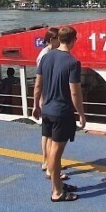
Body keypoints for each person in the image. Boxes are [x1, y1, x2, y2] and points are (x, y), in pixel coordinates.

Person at [32, 26, 87, 202]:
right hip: (62, 112)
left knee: (50, 147)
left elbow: (38, 85)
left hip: (47, 110)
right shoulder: (73, 63)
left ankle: (57, 183)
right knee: (56, 153)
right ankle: (57, 191)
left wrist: (35, 105)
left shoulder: (46, 57)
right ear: (73, 41)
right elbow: (75, 92)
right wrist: (81, 113)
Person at [35, 28, 64, 178]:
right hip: (48, 99)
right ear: (52, 40)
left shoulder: (47, 53)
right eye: (58, 38)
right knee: (51, 136)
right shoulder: (46, 55)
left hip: (46, 99)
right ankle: (50, 166)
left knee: (46, 134)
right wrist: (40, 100)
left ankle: (46, 162)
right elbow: (41, 81)